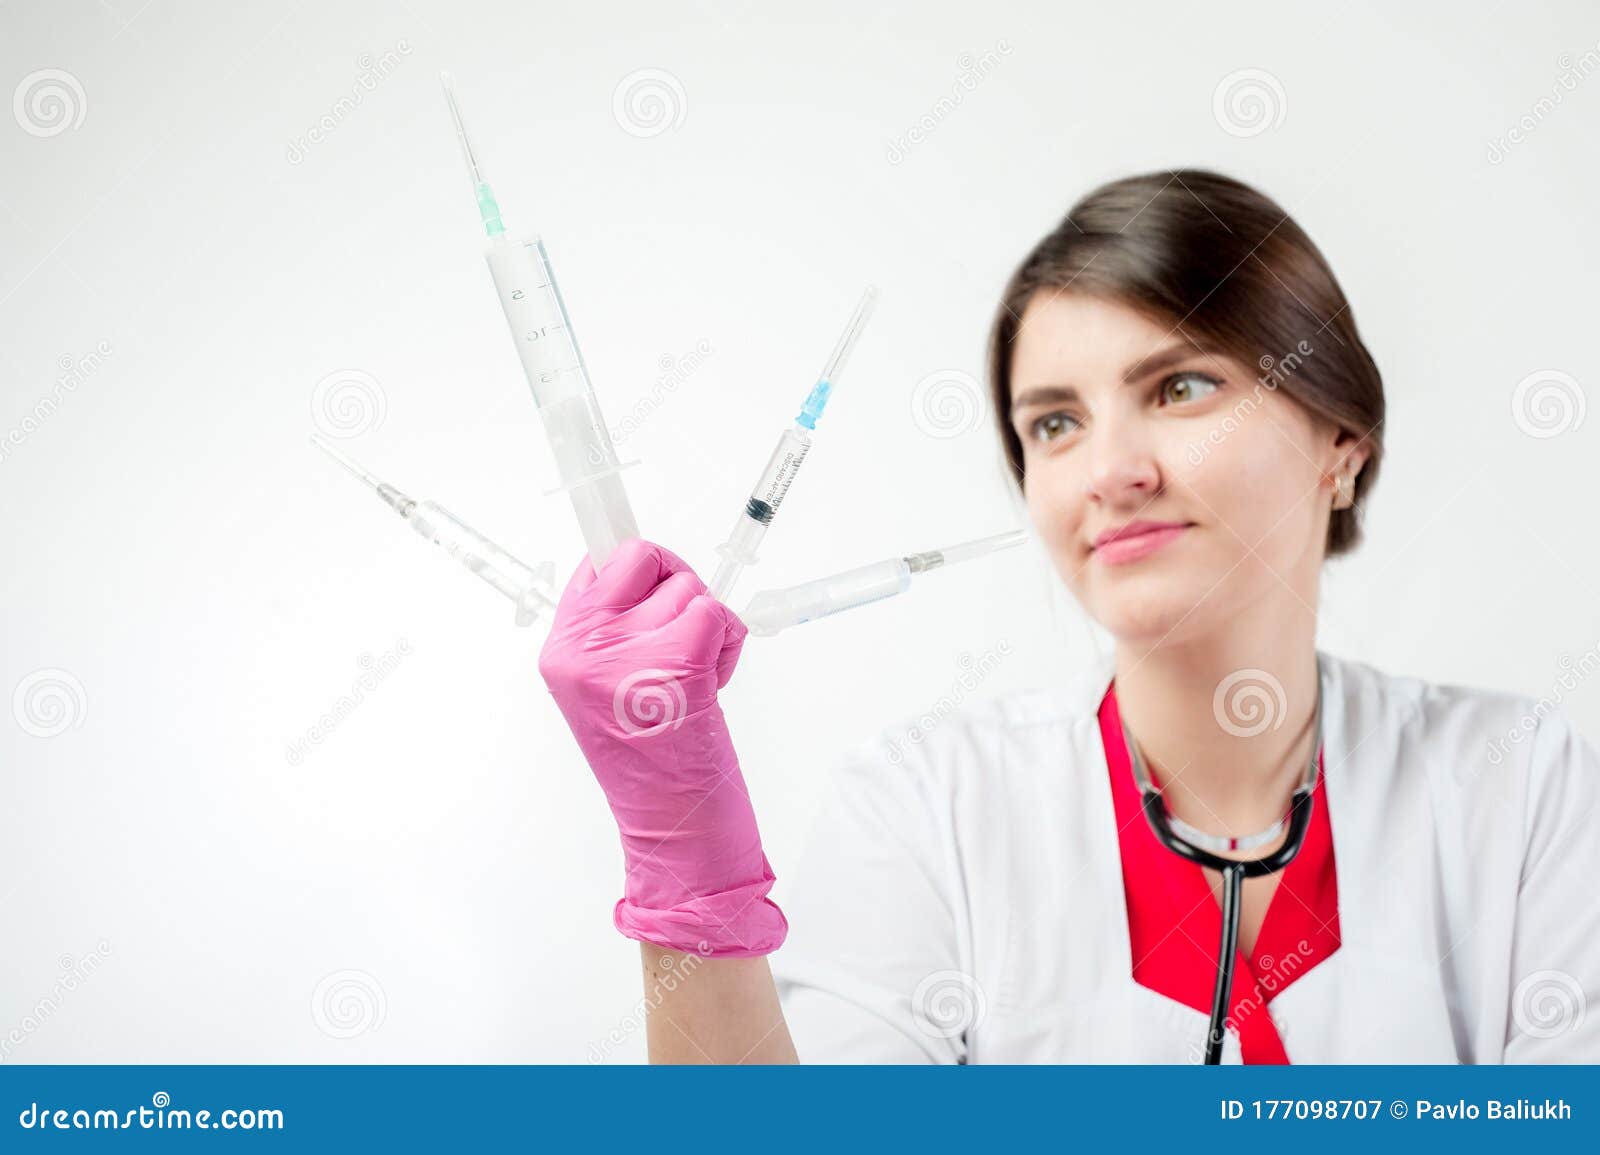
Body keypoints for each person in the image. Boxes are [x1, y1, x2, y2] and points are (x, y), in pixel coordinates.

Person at [537, 169, 1600, 1064]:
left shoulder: (1519, 783)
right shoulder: (931, 804)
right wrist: (688, 872)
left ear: (1340, 445)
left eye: (1179, 388)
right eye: (1054, 421)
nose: (1111, 472)